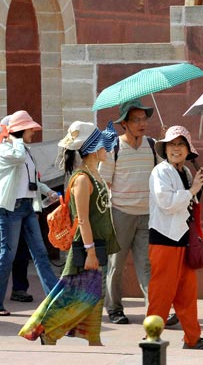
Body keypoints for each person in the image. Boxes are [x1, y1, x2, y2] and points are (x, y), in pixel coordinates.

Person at [19, 121, 120, 345]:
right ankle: (43, 329)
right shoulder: (82, 179)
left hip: (97, 244)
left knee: (96, 294)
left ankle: (93, 338)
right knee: (72, 294)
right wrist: (90, 251)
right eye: (104, 145)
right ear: (93, 148)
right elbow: (82, 219)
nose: (108, 149)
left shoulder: (95, 174)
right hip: (85, 247)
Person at [146, 125, 203, 350]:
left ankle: (192, 338)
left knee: (187, 293)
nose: (176, 149)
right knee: (161, 292)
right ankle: (152, 337)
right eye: (172, 145)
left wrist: (198, 187)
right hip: (164, 238)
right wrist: (193, 189)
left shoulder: (185, 172)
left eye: (181, 144)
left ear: (188, 150)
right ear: (165, 149)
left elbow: (189, 205)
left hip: (183, 237)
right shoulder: (161, 171)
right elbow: (166, 203)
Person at [99, 99, 156, 325]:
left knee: (146, 264)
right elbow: (104, 182)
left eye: (144, 119)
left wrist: (167, 145)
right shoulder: (114, 147)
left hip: (147, 214)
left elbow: (165, 172)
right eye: (136, 120)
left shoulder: (152, 145)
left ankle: (154, 309)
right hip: (120, 213)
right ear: (124, 123)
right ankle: (114, 309)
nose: (142, 124)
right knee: (115, 264)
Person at [0, 111, 58, 317]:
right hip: (10, 209)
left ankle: (55, 297)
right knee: (7, 255)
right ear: (19, 130)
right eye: (29, 128)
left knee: (41, 253)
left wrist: (48, 192)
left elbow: (32, 179)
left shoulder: (25, 151)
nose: (33, 132)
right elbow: (17, 157)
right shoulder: (7, 150)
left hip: (27, 207)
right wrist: (14, 138)